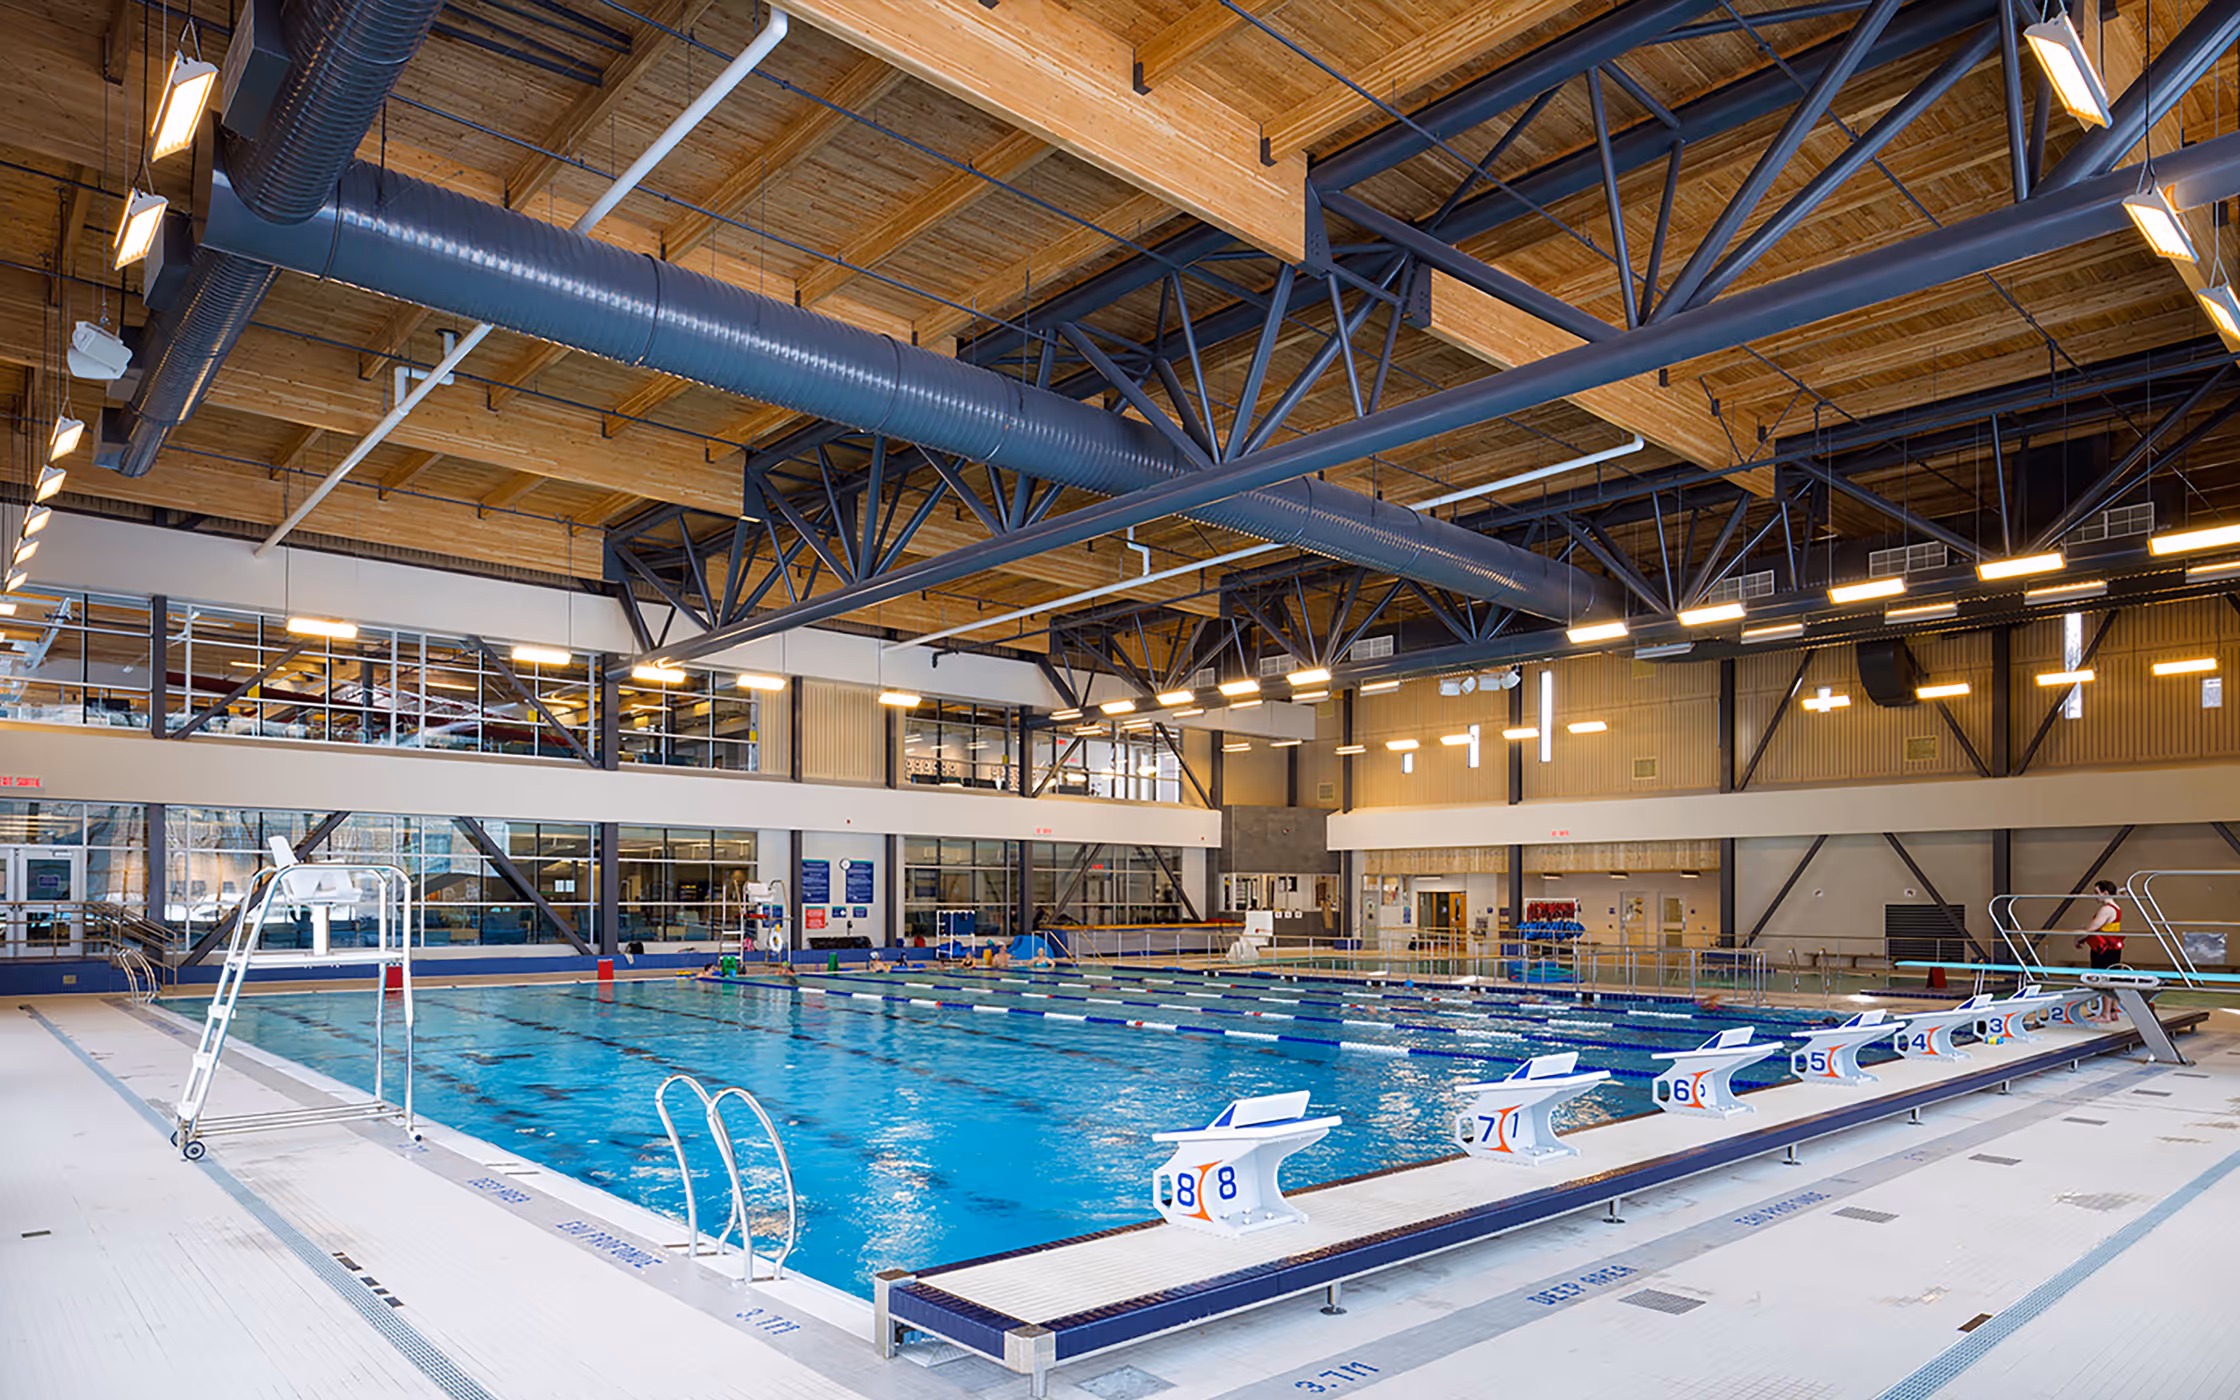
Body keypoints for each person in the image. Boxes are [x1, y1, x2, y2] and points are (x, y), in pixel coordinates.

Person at [2074, 881, 2126, 971]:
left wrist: (2078, 939)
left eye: (2097, 892)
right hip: (2109, 948)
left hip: (2104, 950)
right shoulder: (2116, 908)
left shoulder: (2107, 909)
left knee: (2101, 976)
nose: (2095, 895)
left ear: (2105, 893)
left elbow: (2091, 928)